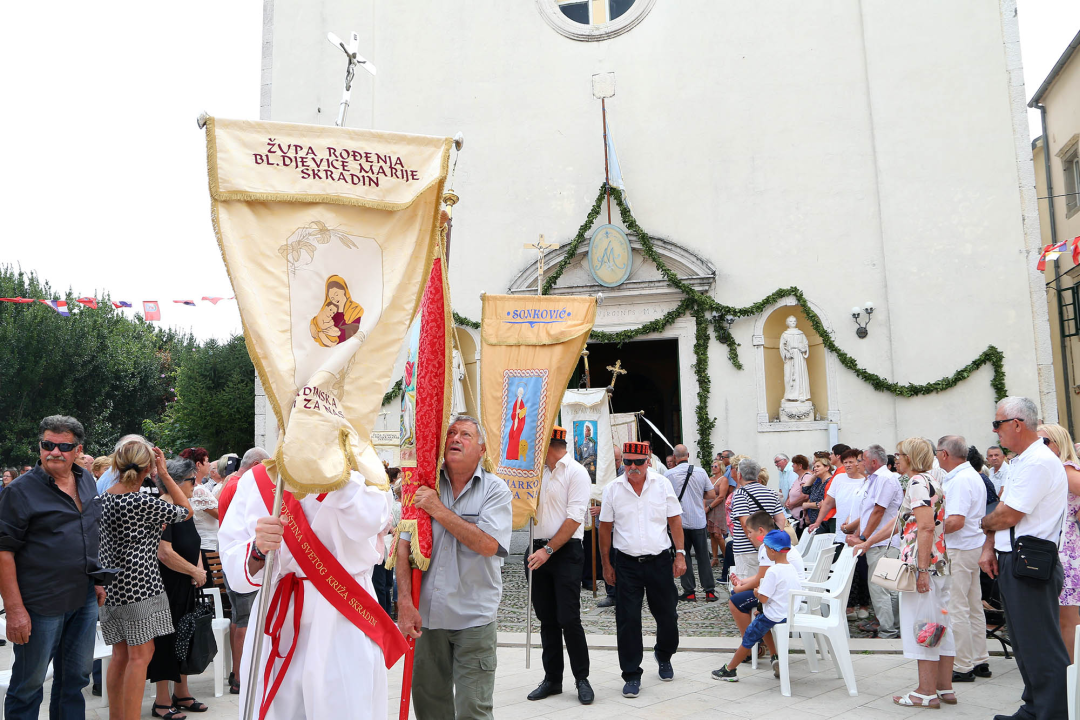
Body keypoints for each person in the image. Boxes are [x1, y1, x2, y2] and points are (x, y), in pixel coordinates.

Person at [221, 443, 396, 720]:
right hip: (279, 613)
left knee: (343, 708)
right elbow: (234, 567)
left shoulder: (362, 471)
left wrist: (329, 475)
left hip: (342, 616)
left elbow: (372, 519)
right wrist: (257, 549)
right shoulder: (258, 480)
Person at [397, 415, 513, 720]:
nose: (455, 439)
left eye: (465, 435)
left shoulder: (495, 491)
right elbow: (403, 547)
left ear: (482, 450)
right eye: (451, 433)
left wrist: (437, 509)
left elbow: (488, 544)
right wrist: (404, 602)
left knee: (473, 709)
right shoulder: (424, 485)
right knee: (430, 708)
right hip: (427, 618)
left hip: (473, 618)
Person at [0, 415, 108, 720]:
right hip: (40, 603)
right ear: (40, 446)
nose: (55, 452)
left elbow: (90, 531)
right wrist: (15, 610)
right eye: (48, 445)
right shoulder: (19, 491)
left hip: (84, 596)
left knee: (76, 678)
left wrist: (98, 578)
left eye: (64, 446)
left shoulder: (86, 480)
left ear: (78, 450)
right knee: (29, 684)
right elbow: (3, 552)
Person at [980, 397, 1069, 720]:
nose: (995, 431)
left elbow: (1007, 514)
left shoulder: (1037, 462)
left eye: (998, 423)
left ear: (1017, 424)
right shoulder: (1023, 460)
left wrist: (984, 523)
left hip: (1031, 561)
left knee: (1040, 644)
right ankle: (1034, 708)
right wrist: (990, 545)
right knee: (1024, 642)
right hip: (1017, 558)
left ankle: (1052, 713)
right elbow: (1004, 509)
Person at [100, 442, 193, 720]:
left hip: (111, 587)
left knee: (120, 655)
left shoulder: (103, 499)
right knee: (141, 656)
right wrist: (164, 474)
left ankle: (117, 717)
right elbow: (186, 510)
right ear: (148, 468)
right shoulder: (142, 502)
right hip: (141, 586)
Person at [599, 441, 685, 698]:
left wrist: (680, 555)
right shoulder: (612, 489)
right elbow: (605, 528)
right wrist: (606, 564)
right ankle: (631, 673)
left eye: (638, 462)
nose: (632, 467)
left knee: (667, 615)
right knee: (628, 620)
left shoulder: (662, 484)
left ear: (648, 461)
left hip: (659, 561)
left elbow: (675, 520)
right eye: (627, 462)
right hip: (626, 563)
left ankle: (664, 654)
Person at [524, 427, 593, 705]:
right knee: (547, 618)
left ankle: (582, 678)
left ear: (547, 445)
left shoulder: (576, 472)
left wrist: (548, 550)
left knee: (568, 617)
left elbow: (575, 518)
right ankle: (552, 679)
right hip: (537, 548)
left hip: (564, 551)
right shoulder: (535, 473)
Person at [890, 438, 955, 709]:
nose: (896, 459)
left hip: (924, 564)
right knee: (940, 623)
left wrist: (922, 570)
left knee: (923, 624)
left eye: (899, 454)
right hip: (939, 562)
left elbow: (925, 526)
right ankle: (944, 687)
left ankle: (925, 692)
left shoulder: (917, 482)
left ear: (910, 456)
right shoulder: (931, 480)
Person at [145, 457, 208, 718]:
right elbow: (164, 553)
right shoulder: (163, 507)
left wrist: (198, 569)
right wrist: (194, 570)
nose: (196, 484)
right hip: (167, 585)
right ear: (177, 482)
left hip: (186, 583)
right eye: (192, 480)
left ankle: (182, 693)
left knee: (184, 636)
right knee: (166, 640)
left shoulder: (183, 508)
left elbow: (194, 543)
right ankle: (162, 701)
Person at [723, 512, 806, 678]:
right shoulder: (783, 553)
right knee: (758, 611)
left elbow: (762, 588)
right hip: (790, 600)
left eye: (749, 532)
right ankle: (773, 654)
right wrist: (742, 582)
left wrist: (742, 589)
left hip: (780, 604)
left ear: (761, 531)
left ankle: (739, 660)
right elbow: (761, 578)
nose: (748, 536)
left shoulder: (768, 550)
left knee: (737, 602)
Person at [936, 435, 991, 683]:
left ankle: (962, 664)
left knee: (957, 606)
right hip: (972, 546)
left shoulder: (959, 480)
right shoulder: (971, 474)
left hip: (960, 548)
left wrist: (930, 531)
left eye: (938, 452)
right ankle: (979, 660)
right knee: (973, 605)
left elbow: (956, 521)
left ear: (945, 454)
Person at [214, 446, 269, 696]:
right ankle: (240, 676)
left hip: (234, 557)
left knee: (239, 617)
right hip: (244, 558)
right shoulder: (243, 485)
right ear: (256, 465)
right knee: (245, 619)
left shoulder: (230, 482)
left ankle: (237, 672)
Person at [848, 443, 903, 639]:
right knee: (887, 588)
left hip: (882, 542)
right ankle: (893, 627)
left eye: (862, 459)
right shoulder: (876, 479)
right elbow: (868, 510)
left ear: (873, 461)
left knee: (881, 588)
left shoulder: (885, 478)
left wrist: (864, 538)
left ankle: (889, 631)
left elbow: (879, 511)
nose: (860, 463)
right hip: (880, 541)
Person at [1037, 423, 1080, 661]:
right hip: (1055, 546)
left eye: (1044, 441)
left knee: (1067, 618)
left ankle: (1071, 674)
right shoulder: (1052, 469)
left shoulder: (1066, 469)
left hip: (1065, 550)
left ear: (1058, 444)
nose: (1039, 446)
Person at [665, 444, 717, 602]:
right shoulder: (701, 472)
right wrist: (697, 495)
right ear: (688, 455)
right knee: (703, 557)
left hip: (679, 523)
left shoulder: (669, 474)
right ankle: (709, 591)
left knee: (683, 555)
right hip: (698, 521)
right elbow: (711, 494)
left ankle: (689, 591)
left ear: (674, 457)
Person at [729, 458, 789, 586]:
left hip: (747, 549)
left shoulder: (740, 494)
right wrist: (769, 543)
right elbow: (781, 520)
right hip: (770, 549)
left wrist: (758, 545)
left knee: (748, 586)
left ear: (740, 475)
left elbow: (745, 524)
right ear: (757, 474)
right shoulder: (771, 492)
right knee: (766, 584)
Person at [706, 456, 729, 572]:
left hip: (717, 508)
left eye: (715, 466)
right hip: (708, 509)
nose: (713, 468)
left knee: (718, 534)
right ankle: (715, 558)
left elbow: (721, 496)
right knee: (712, 534)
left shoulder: (723, 479)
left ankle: (727, 557)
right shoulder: (710, 479)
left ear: (721, 467)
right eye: (712, 466)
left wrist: (709, 507)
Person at [800, 459, 830, 528]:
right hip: (814, 521)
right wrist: (814, 476)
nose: (815, 468)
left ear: (827, 468)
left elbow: (824, 503)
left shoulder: (829, 482)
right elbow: (805, 489)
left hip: (824, 522)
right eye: (814, 467)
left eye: (818, 466)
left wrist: (807, 505)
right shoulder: (819, 483)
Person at [784, 455, 811, 532]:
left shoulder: (806, 477)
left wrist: (792, 504)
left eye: (794, 464)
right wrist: (788, 500)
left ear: (800, 466)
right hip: (796, 517)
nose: (792, 466)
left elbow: (805, 496)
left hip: (802, 518)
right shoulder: (798, 478)